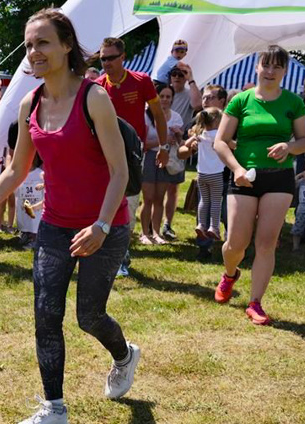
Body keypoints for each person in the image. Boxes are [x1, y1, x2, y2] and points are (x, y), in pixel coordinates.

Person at [0, 8, 140, 424]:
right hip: (54, 226)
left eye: (44, 42)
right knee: (45, 315)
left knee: (89, 316)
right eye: (30, 44)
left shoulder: (94, 98)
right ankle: (54, 408)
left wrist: (103, 225)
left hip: (104, 226)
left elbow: (120, 171)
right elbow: (16, 171)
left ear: (67, 46)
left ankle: (124, 355)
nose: (34, 52)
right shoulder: (29, 103)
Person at [212, 45, 305, 326]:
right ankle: (230, 274)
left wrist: (289, 146)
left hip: (279, 178)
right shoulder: (240, 101)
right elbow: (219, 142)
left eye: (277, 67)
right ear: (257, 67)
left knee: (267, 242)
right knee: (236, 243)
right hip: (243, 176)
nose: (270, 71)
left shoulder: (293, 102)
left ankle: (255, 302)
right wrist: (237, 169)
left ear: (284, 71)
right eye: (266, 65)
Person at [96, 36, 167, 276]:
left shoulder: (141, 81)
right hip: (102, 154)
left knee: (128, 206)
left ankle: (121, 259)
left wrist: (164, 148)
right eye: (102, 58)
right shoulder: (97, 86)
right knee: (102, 205)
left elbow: (158, 115)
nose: (106, 63)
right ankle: (106, 255)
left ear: (123, 57)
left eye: (111, 58)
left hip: (132, 155)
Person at [139, 84, 183, 244]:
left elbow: (180, 143)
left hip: (167, 159)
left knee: (159, 198)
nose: (164, 100)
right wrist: (162, 141)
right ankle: (144, 233)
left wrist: (179, 136)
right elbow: (143, 142)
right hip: (149, 158)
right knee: (148, 198)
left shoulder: (176, 117)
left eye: (168, 97)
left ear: (172, 99)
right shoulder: (145, 115)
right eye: (162, 96)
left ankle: (156, 233)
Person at [193, 84, 230, 257]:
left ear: (222, 101)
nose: (205, 101)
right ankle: (207, 242)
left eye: (210, 97)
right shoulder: (204, 125)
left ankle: (230, 245)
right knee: (213, 204)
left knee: (214, 207)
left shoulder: (230, 121)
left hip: (212, 174)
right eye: (204, 97)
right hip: (215, 174)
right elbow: (183, 150)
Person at [180, 108, 225, 241]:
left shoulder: (201, 134)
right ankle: (214, 227)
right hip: (216, 173)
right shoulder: (218, 135)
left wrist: (193, 141)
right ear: (217, 121)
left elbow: (186, 144)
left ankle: (201, 225)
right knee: (216, 202)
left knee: (204, 201)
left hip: (202, 174)